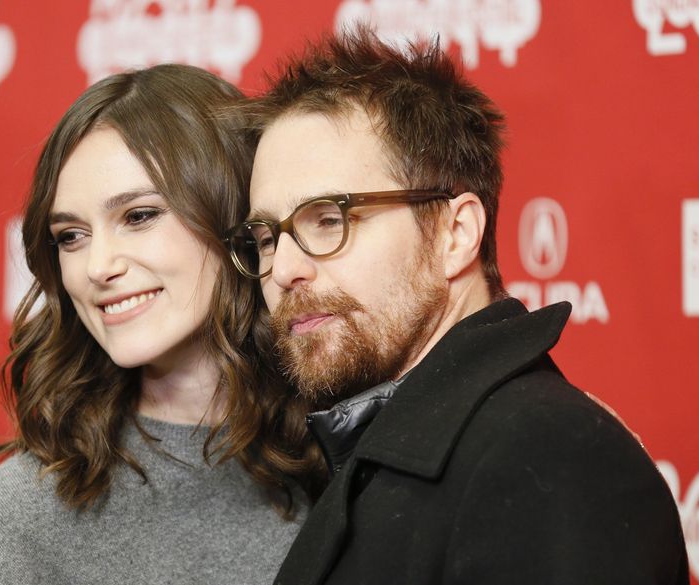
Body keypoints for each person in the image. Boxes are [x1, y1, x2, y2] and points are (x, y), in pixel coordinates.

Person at [225, 29, 689, 584]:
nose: (283, 270)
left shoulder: (550, 459)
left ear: (456, 233)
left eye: (328, 219)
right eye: (267, 237)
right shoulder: (385, 449)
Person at [0, 64, 324, 585]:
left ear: (237, 216)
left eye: (139, 216)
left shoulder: (343, 459)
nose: (98, 266)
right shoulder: (24, 514)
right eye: (71, 236)